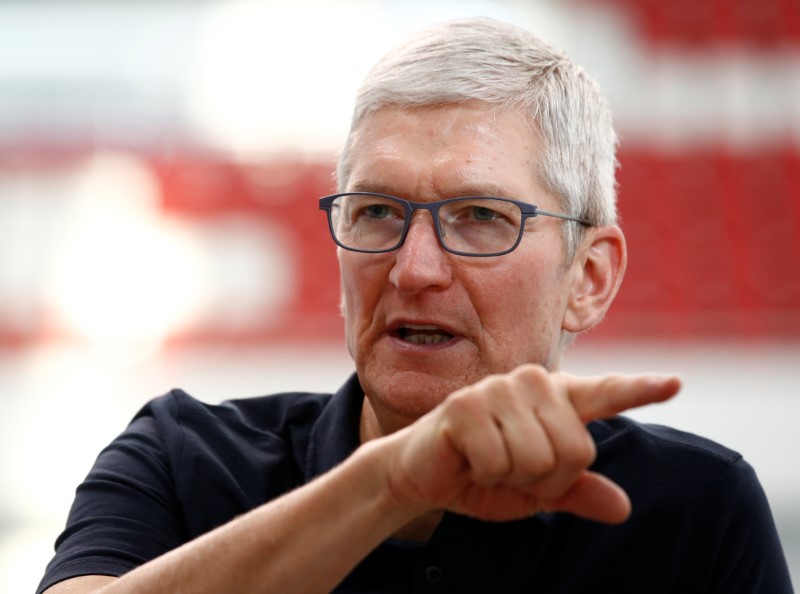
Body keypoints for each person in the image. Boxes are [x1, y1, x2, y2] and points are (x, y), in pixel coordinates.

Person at [37, 16, 792, 594]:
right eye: (376, 213)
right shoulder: (182, 458)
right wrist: (392, 484)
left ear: (588, 278)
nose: (413, 268)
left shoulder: (692, 513)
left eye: (480, 218)